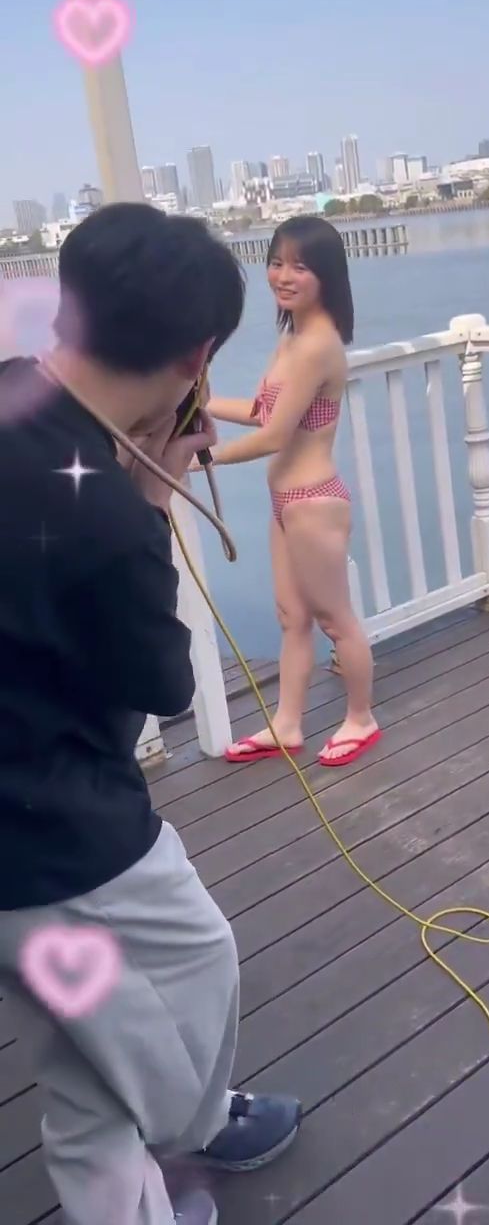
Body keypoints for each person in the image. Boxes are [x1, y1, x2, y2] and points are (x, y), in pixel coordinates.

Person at [0, 202, 301, 1225]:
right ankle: (195, 1122)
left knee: (79, 1057)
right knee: (197, 964)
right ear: (197, 356)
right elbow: (165, 684)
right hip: (61, 836)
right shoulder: (106, 515)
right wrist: (153, 500)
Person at [200, 215, 381, 767]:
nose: (283, 275)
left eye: (300, 266)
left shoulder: (317, 346)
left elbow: (275, 436)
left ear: (326, 275)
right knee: (290, 617)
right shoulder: (292, 337)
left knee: (335, 619)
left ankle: (361, 718)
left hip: (313, 502)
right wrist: (201, 402)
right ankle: (287, 724)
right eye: (276, 262)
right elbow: (263, 411)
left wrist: (203, 458)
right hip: (286, 504)